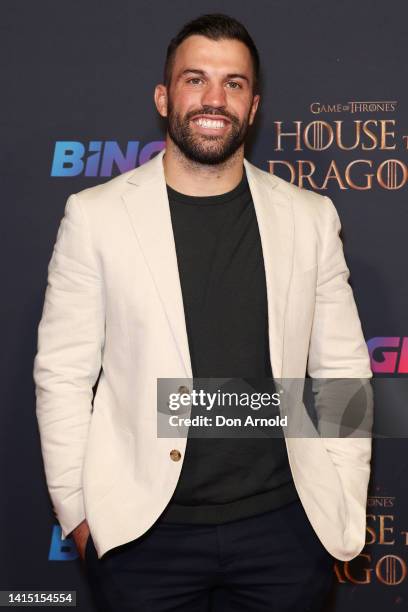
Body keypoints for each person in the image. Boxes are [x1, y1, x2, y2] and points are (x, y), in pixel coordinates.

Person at [33, 13, 373, 612]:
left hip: (287, 528)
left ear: (254, 104)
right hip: (143, 535)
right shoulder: (96, 217)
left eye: (234, 83)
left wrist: (345, 495)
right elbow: (62, 375)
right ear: (165, 97)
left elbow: (344, 368)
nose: (214, 99)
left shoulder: (310, 216)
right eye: (196, 79)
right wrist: (80, 517)